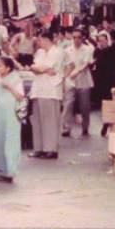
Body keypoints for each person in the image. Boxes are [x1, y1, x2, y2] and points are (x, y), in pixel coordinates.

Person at [28, 30, 73, 160]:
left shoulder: (58, 52)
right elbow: (36, 68)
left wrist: (61, 77)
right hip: (38, 88)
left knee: (50, 121)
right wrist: (39, 69)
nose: (39, 43)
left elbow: (41, 68)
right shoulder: (40, 52)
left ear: (46, 40)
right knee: (37, 120)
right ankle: (38, 148)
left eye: (40, 40)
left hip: (51, 89)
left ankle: (50, 149)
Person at [0, 57, 25, 183]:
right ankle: (0, 169)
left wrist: (9, 87)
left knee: (10, 140)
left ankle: (10, 171)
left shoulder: (15, 78)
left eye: (1, 66)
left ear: (8, 68)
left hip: (11, 115)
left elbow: (20, 97)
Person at [62, 28, 94, 138]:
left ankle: (85, 126)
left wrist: (78, 72)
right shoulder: (67, 50)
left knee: (84, 106)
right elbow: (65, 65)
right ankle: (66, 127)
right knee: (68, 104)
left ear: (82, 38)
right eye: (74, 37)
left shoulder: (88, 50)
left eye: (78, 37)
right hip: (70, 81)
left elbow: (86, 64)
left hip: (83, 81)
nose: (76, 40)